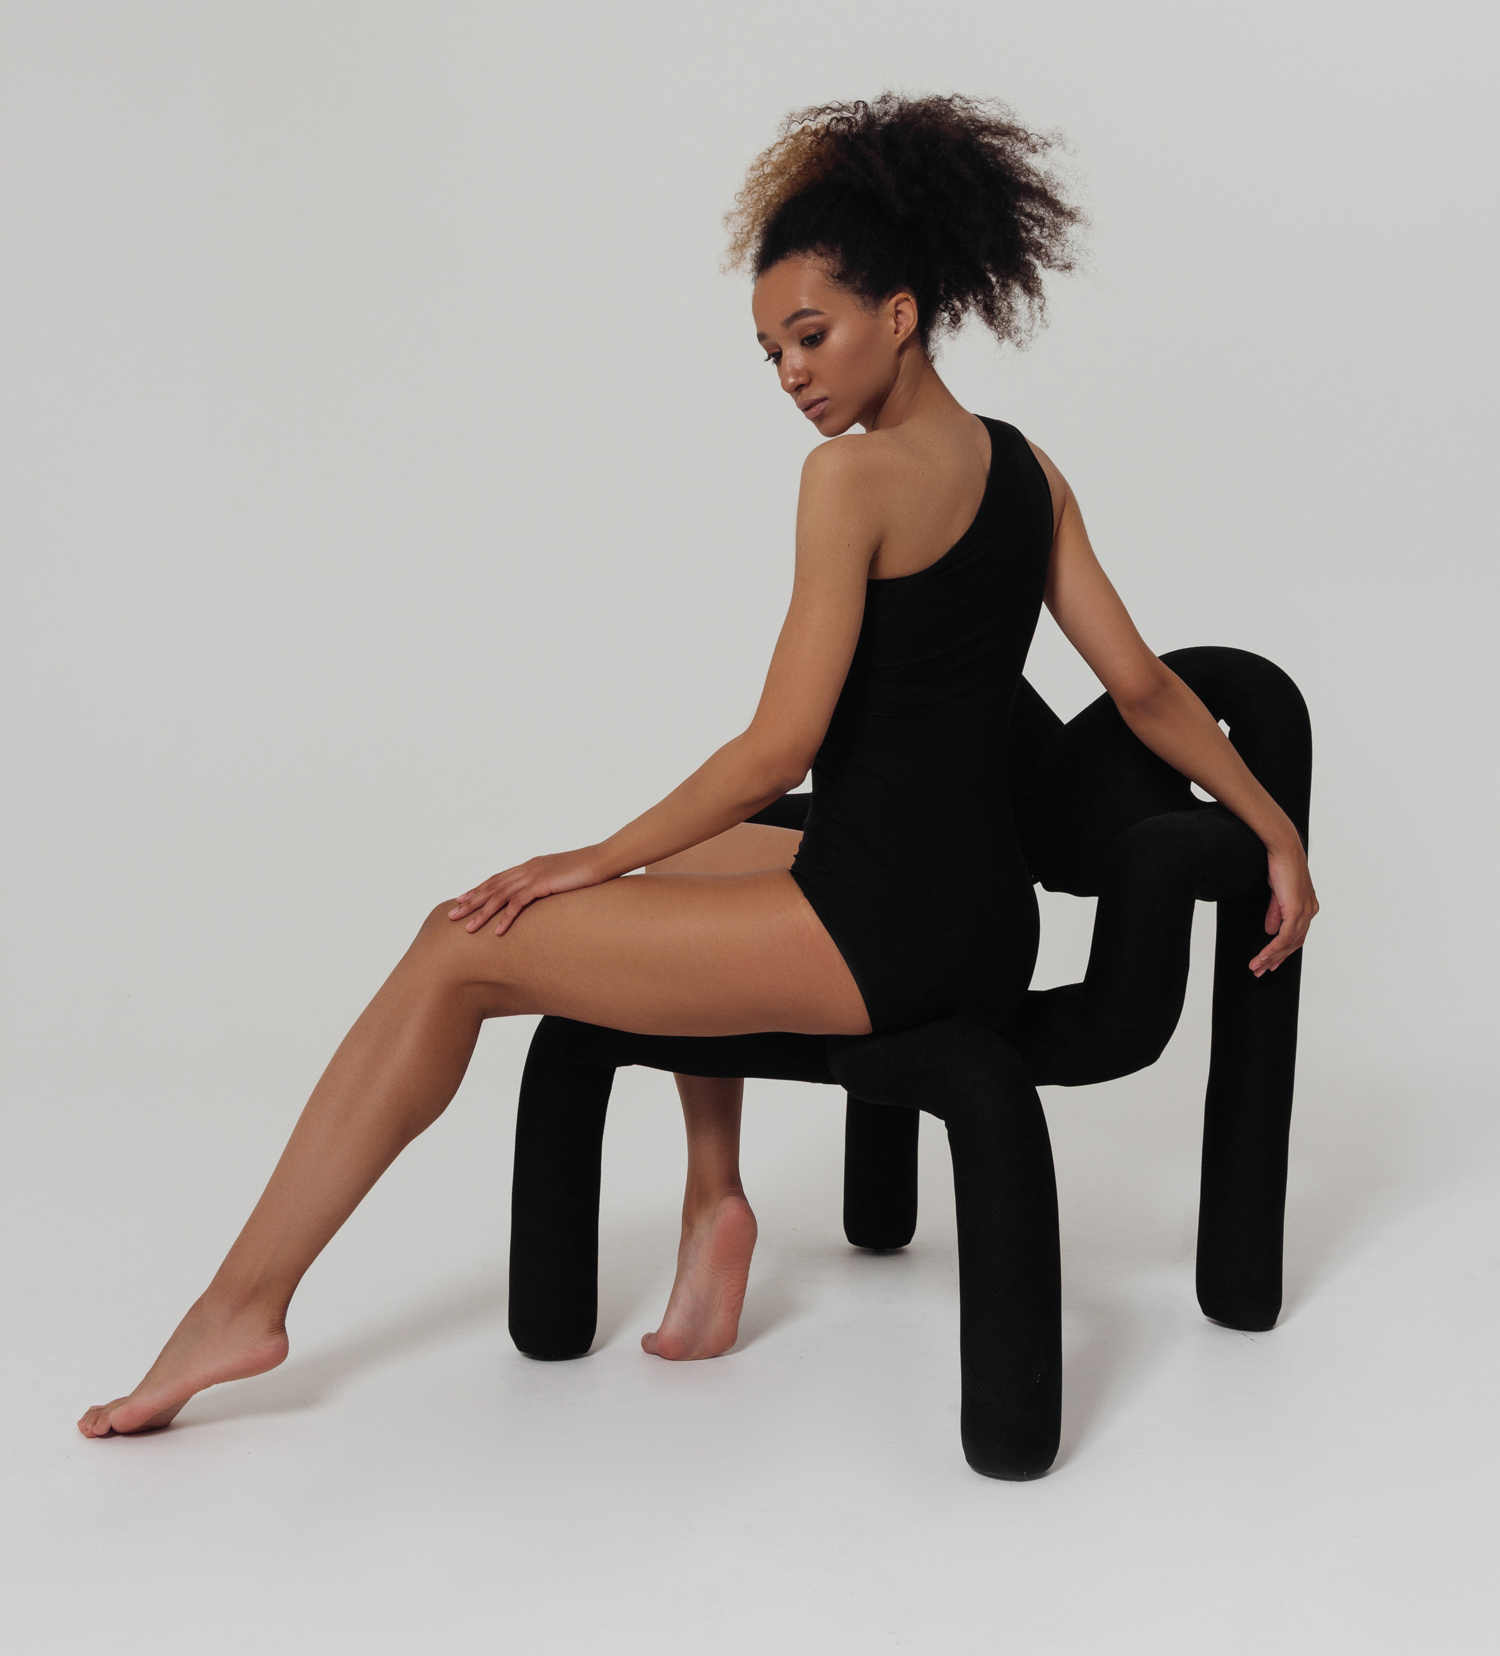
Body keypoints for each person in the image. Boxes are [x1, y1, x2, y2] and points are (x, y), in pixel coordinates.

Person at [79, 93, 1319, 1436]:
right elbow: (1144, 688)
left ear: (901, 313)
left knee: (457, 947)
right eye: (771, 350)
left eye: (812, 334)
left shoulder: (849, 483)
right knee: (699, 860)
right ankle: (714, 1200)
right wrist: (1278, 832)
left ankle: (245, 1303)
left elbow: (778, 749)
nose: (791, 373)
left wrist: (581, 859)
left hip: (878, 934)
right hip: (984, 925)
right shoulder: (1028, 470)